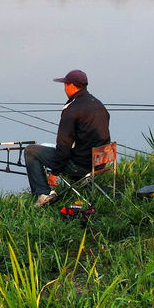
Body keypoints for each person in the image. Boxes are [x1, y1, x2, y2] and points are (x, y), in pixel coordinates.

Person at [25, 69, 111, 207]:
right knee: (67, 148)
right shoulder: (98, 104)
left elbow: (64, 145)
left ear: (72, 86)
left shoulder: (71, 110)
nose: (64, 88)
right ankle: (82, 181)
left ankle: (44, 194)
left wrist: (54, 172)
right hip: (99, 162)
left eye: (65, 85)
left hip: (81, 165)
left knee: (30, 151)